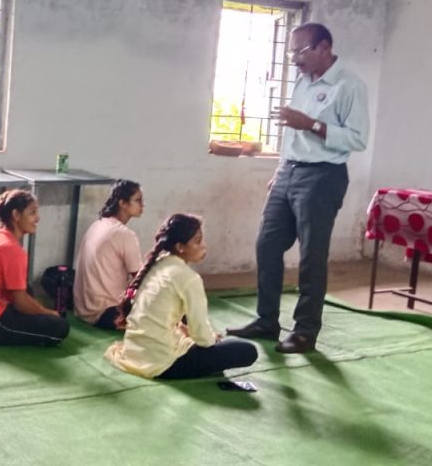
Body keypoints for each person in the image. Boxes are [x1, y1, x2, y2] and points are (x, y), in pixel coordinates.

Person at [227, 23, 369, 354]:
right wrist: (280, 170)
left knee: (311, 256)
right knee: (267, 245)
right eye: (291, 52)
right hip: (288, 172)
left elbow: (357, 139)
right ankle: (267, 320)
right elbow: (292, 134)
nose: (294, 59)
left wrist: (311, 124)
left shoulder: (349, 86)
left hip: (323, 176)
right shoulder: (302, 82)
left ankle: (305, 331)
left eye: (300, 51)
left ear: (325, 47)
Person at [105, 214, 258, 379]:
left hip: (135, 352)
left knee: (192, 331)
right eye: (198, 241)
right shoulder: (189, 278)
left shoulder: (158, 263)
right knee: (247, 350)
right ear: (180, 247)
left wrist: (185, 331)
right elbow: (203, 339)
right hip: (165, 364)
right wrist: (211, 338)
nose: (204, 246)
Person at [0, 189, 69, 346]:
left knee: (26, 288)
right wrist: (47, 312)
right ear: (16, 215)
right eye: (32, 212)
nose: (37, 218)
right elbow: (20, 302)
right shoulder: (11, 249)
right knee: (60, 327)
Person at [74, 179, 144, 330]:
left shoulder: (98, 224)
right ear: (123, 203)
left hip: (82, 310)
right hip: (107, 313)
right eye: (138, 200)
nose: (143, 205)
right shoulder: (125, 234)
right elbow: (140, 278)